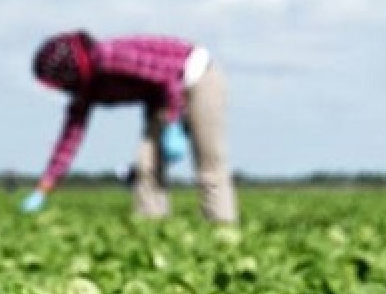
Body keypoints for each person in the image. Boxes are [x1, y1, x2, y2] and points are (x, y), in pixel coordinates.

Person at [22, 30, 238, 223]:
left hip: (196, 77)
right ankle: (153, 229)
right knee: (146, 167)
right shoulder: (86, 90)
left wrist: (172, 122)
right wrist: (44, 187)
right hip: (160, 97)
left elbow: (170, 76)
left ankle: (221, 228)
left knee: (208, 164)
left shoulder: (109, 58)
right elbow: (70, 137)